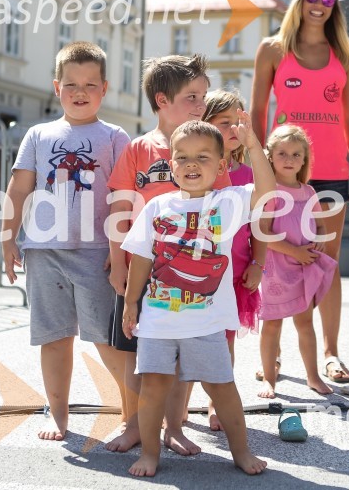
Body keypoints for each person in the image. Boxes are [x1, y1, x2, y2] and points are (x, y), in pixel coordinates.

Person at [120, 119, 271, 477]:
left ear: (221, 166)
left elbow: (266, 191)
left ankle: (242, 452)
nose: (191, 164)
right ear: (170, 164)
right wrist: (130, 303)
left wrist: (252, 146)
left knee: (223, 388)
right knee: (153, 387)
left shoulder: (229, 201)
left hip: (206, 324)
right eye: (182, 157)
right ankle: (151, 455)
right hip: (158, 322)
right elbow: (141, 257)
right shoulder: (157, 207)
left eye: (202, 157)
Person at [1, 41, 130, 440]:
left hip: (97, 255)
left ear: (104, 89)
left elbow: (125, 199)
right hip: (44, 252)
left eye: (90, 84)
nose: (80, 91)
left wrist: (120, 249)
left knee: (108, 340)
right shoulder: (38, 135)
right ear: (57, 87)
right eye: (71, 83)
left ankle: (135, 412)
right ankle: (57, 413)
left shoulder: (115, 136)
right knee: (54, 337)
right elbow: (19, 189)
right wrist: (7, 239)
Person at [104, 54, 230, 454]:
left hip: (190, 274)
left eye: (204, 96)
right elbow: (119, 208)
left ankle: (174, 427)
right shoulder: (138, 148)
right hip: (142, 271)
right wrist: (119, 262)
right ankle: (134, 425)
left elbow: (223, 208)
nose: (201, 105)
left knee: (181, 356)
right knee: (134, 352)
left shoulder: (210, 148)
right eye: (192, 97)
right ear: (162, 100)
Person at [251, 0, 349, 383]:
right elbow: (257, 113)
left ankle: (332, 353)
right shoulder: (272, 50)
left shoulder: (345, 55)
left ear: (335, 7)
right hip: (282, 173)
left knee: (325, 264)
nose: (320, 4)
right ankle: (273, 353)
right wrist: (256, 166)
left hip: (333, 172)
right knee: (279, 260)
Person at [198, 89, 266, 430]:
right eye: (225, 123)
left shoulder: (248, 173)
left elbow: (261, 223)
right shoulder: (193, 168)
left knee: (225, 337)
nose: (234, 129)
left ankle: (216, 400)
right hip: (195, 269)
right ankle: (176, 405)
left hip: (236, 269)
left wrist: (259, 262)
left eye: (238, 122)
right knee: (190, 336)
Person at [257, 125, 337, 399]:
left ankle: (312, 376)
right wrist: (295, 251)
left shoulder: (308, 192)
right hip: (276, 268)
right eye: (281, 153)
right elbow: (263, 234)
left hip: (304, 267)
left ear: (304, 160)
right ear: (270, 156)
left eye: (295, 154)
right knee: (273, 324)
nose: (288, 159)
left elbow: (320, 225)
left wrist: (320, 240)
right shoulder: (269, 192)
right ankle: (269, 378)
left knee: (305, 322)